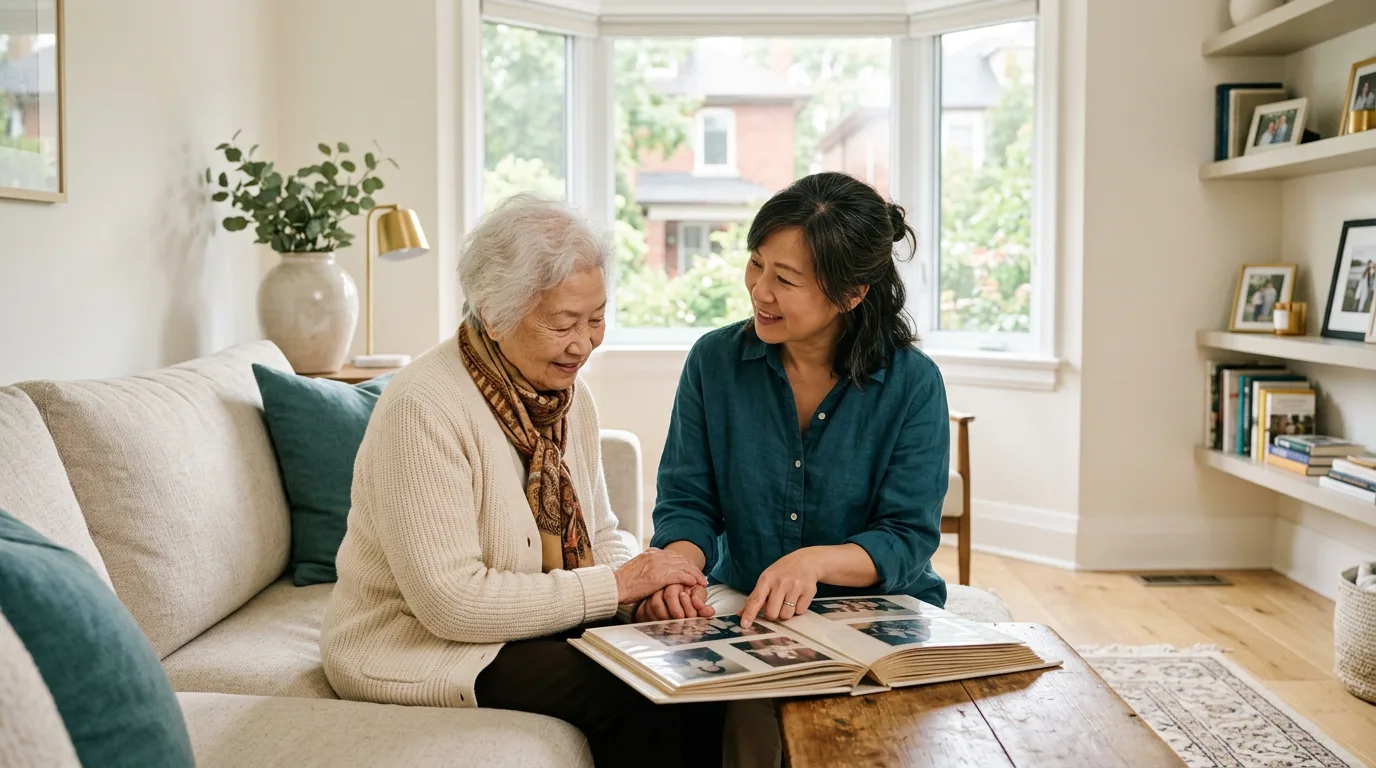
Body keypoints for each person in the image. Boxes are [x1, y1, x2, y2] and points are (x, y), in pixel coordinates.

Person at [320, 194, 722, 768]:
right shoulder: (422, 407)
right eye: (563, 323)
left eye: (597, 318)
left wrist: (646, 598)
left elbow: (601, 532)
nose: (584, 344)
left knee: (694, 666)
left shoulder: (568, 396)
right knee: (633, 693)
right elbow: (451, 604)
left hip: (528, 627)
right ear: (493, 312)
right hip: (420, 644)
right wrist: (620, 585)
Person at [644, 171, 951, 766]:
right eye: (756, 265)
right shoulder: (714, 361)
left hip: (876, 610)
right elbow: (687, 502)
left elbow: (907, 537)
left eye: (785, 279)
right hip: (747, 605)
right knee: (722, 721)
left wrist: (813, 562)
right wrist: (678, 571)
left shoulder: (913, 384)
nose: (760, 290)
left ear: (852, 293)